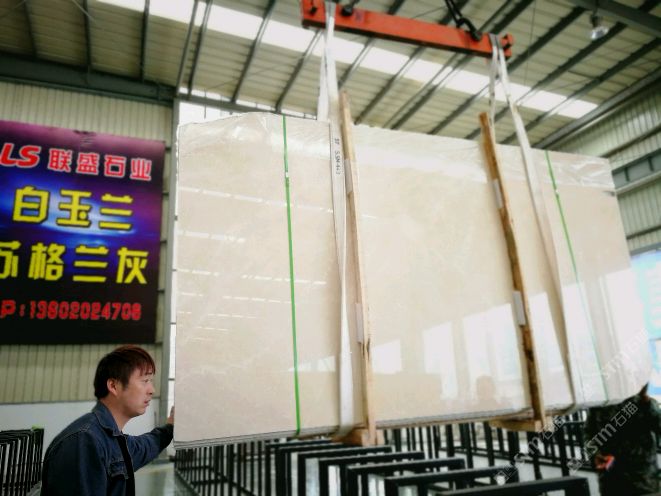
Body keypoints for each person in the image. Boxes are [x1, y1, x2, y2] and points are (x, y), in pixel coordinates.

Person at [41, 345, 175, 495]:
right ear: (113, 386)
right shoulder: (84, 441)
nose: (152, 390)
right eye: (145, 381)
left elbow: (144, 447)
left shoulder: (111, 438)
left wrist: (170, 426)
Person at [584, 383, 661, 496]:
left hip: (643, 482)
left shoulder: (644, 402)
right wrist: (595, 455)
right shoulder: (599, 405)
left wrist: (645, 400)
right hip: (611, 481)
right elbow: (589, 435)